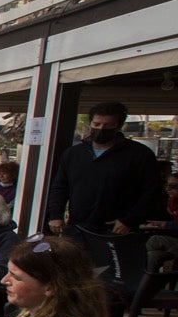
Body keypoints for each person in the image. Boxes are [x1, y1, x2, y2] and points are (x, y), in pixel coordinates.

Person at [47, 101, 164, 238]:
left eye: (108, 125)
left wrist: (130, 220)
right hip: (77, 227)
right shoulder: (73, 154)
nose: (101, 129)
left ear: (118, 126)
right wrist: (55, 215)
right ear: (90, 123)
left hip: (117, 229)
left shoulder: (139, 154)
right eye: (96, 124)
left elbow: (152, 191)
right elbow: (60, 187)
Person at [146, 173, 178, 272]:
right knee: (152, 254)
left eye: (173, 186)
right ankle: (145, 283)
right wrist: (162, 223)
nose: (167, 189)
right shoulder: (172, 202)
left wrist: (166, 224)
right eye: (167, 186)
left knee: (156, 241)